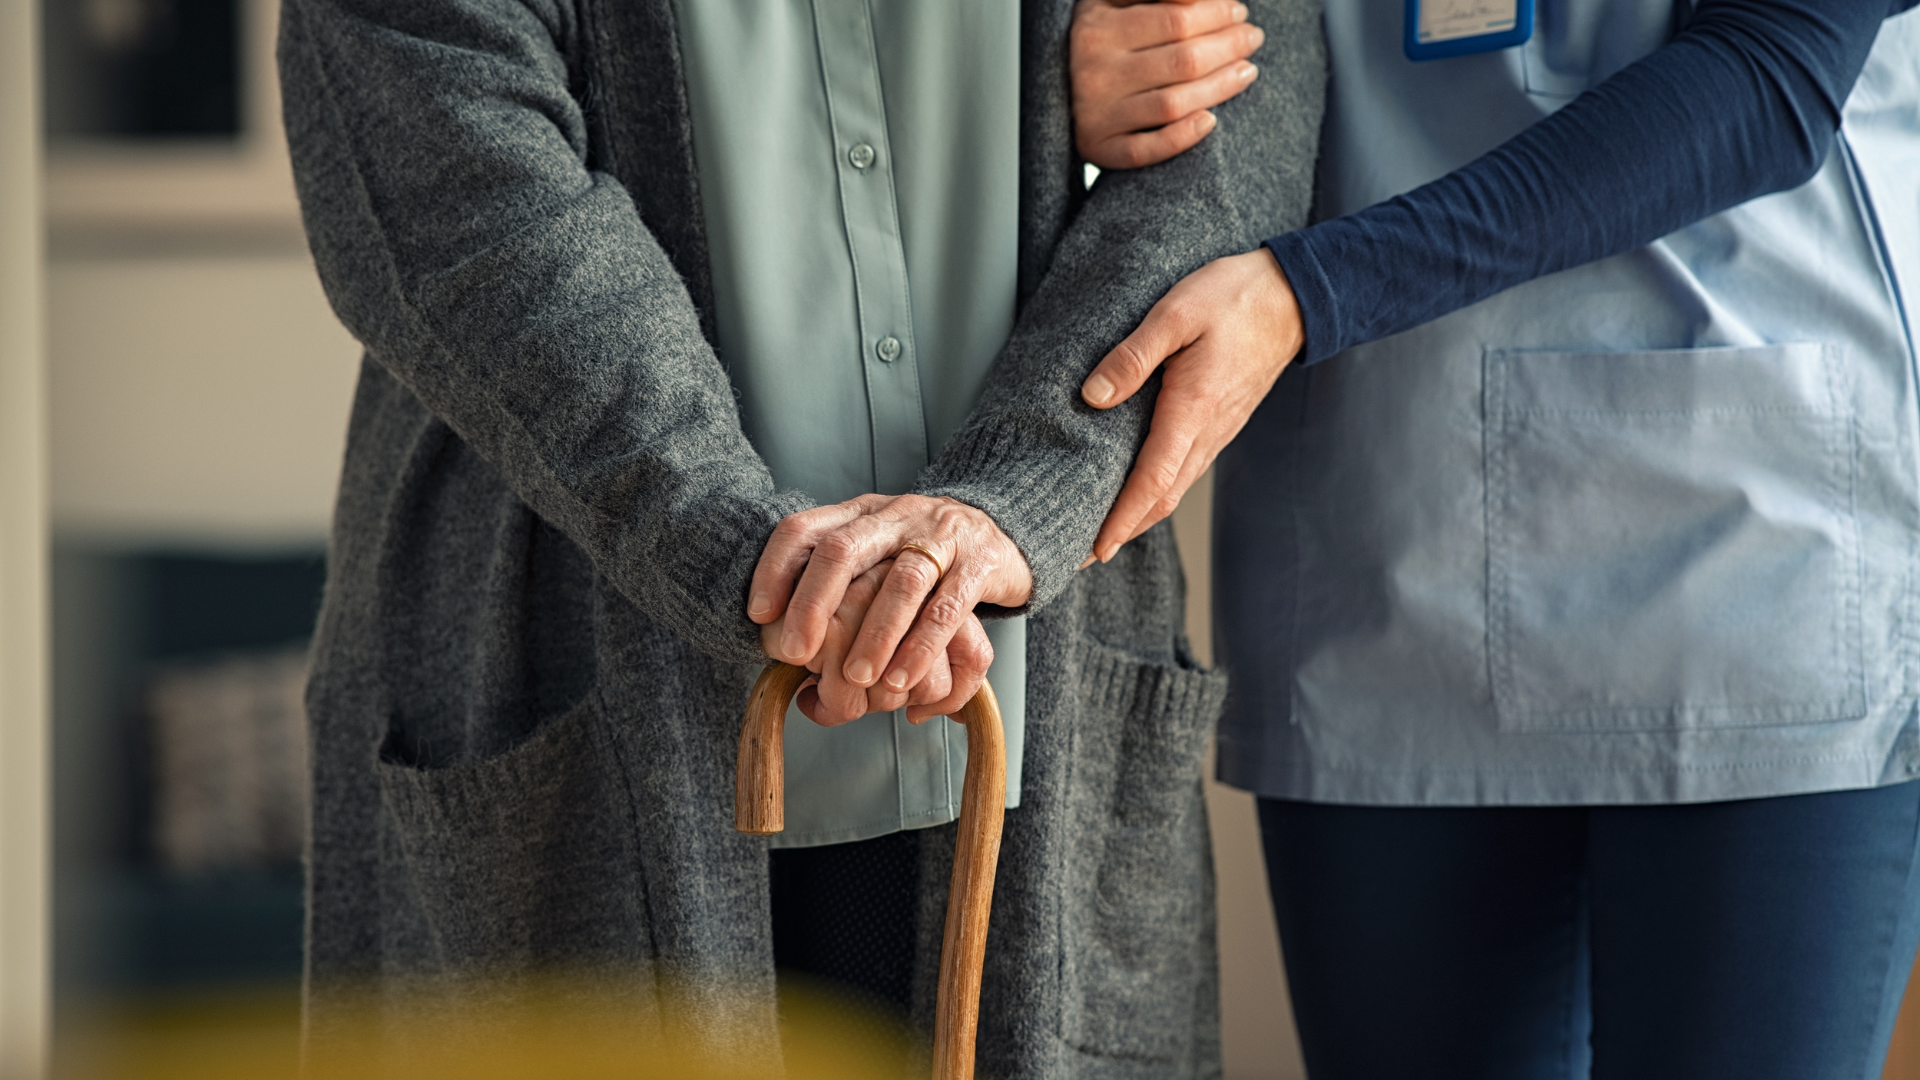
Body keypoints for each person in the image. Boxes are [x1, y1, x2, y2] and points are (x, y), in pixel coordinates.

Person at [278, 0, 1321, 1073]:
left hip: (1029, 680)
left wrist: (1019, 498)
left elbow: (1240, 106)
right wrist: (768, 565)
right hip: (582, 665)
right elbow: (469, 202)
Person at [1070, 0, 1920, 1075]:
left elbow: (1771, 79)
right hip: (1381, 541)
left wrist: (1312, 291)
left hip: (1753, 568)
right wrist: (1073, 98)